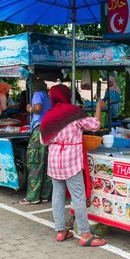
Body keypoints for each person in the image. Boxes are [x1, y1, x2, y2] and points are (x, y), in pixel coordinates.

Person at [40, 84, 106, 247]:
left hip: (55, 159)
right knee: (78, 196)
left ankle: (61, 231)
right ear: (67, 95)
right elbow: (95, 126)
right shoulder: (74, 112)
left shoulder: (48, 115)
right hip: (71, 159)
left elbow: (43, 140)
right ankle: (85, 234)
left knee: (57, 195)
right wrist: (98, 107)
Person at [20, 78, 53, 205]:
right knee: (45, 162)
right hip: (47, 129)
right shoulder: (47, 97)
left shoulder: (38, 94)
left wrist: (29, 108)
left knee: (35, 162)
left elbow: (38, 108)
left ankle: (32, 196)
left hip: (38, 129)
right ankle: (44, 195)